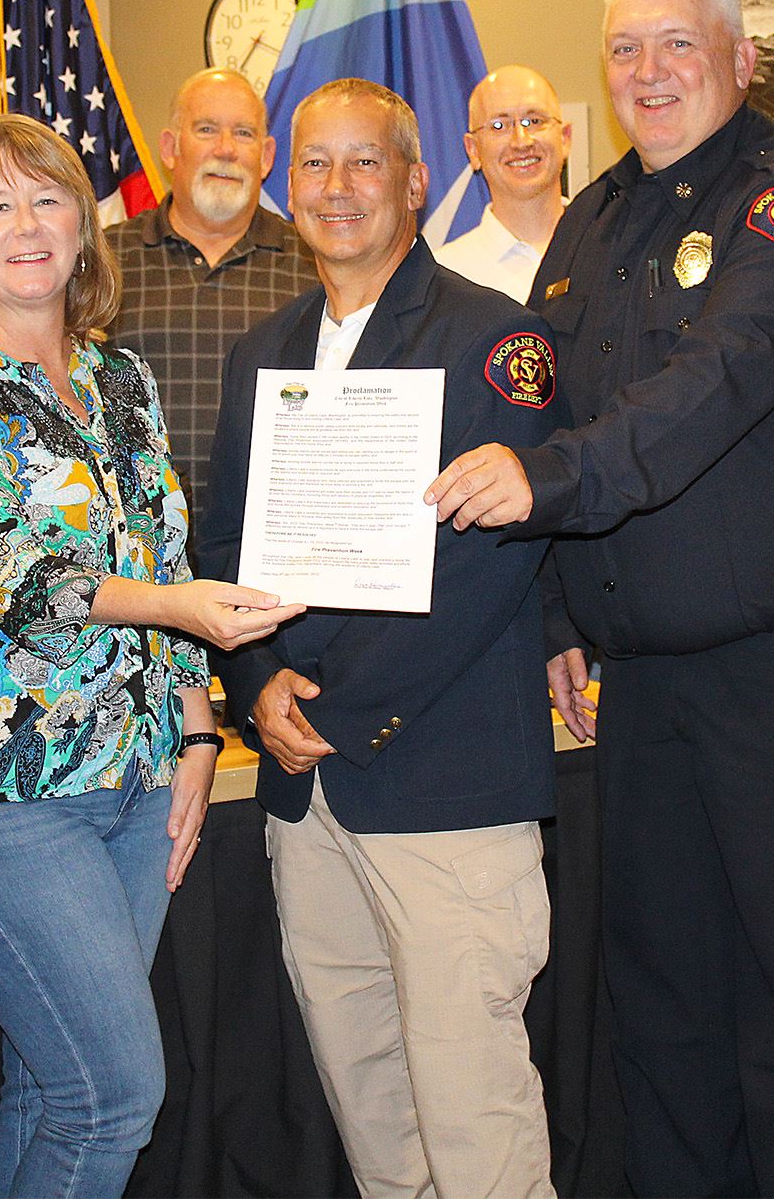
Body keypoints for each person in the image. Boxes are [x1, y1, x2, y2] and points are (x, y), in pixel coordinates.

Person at [426, 0, 774, 1197]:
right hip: (644, 693)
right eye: (627, 49)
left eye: (677, 44)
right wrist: (552, 611)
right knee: (667, 1016)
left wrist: (550, 484)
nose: (649, 73)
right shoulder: (588, 222)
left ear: (742, 60)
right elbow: (531, 407)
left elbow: (716, 385)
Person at [0, 112, 298, 1197]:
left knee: (53, 1089)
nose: (29, 225)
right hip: (3, 792)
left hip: (139, 779)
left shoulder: (124, 379)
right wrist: (184, 606)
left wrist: (201, 730)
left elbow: (168, 546)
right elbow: (13, 575)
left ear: (85, 226)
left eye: (51, 198)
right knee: (114, 1093)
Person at [198, 78, 567, 1198]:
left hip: (445, 786)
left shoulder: (497, 341)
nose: (339, 188)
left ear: (415, 180)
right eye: (315, 163)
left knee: (477, 1119)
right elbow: (227, 538)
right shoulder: (264, 349)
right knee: (372, 1111)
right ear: (284, 181)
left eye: (368, 162)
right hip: (308, 794)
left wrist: (328, 708)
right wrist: (259, 683)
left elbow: (498, 565)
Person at [106, 68, 319, 525]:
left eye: (243, 133)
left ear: (265, 157)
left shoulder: (316, 266)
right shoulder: (102, 261)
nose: (225, 148)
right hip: (135, 550)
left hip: (274, 544)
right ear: (170, 148)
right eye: (206, 129)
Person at [435, 64, 571, 302]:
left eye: (534, 120)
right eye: (499, 125)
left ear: (565, 138)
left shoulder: (610, 249)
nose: (521, 141)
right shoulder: (443, 277)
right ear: (473, 150)